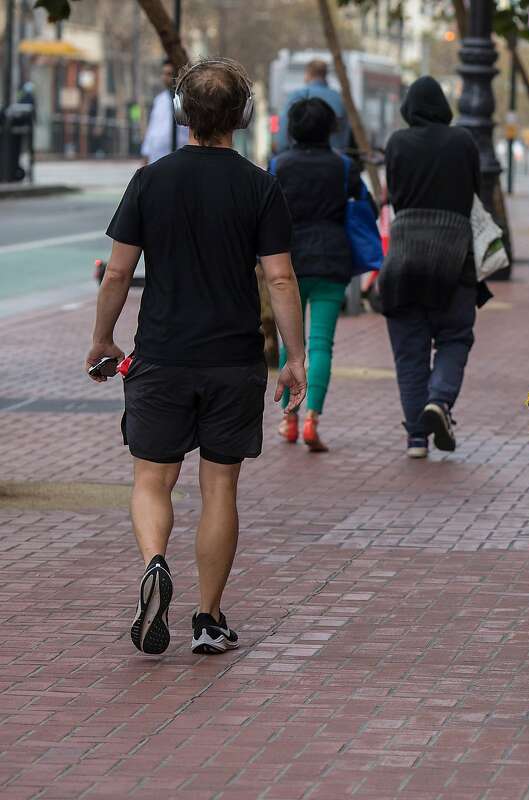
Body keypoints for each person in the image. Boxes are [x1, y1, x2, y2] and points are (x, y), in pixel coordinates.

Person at [87, 58, 306, 656]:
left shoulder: (149, 181)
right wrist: (295, 356)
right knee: (220, 488)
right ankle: (208, 619)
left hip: (160, 353)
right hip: (233, 358)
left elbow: (119, 272)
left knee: (153, 478)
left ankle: (156, 562)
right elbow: (281, 279)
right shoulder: (259, 184)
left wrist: (103, 339)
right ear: (242, 116)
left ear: (184, 114)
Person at [383, 76, 485, 459]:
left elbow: (394, 197)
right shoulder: (463, 141)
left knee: (409, 352)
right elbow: (477, 192)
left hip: (404, 254)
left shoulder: (396, 142)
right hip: (455, 254)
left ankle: (415, 439)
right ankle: (439, 402)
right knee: (455, 337)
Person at [271, 98, 373, 452]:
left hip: (289, 261)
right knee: (321, 344)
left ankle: (289, 419)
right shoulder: (343, 166)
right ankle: (313, 417)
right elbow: (365, 204)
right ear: (331, 128)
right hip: (333, 258)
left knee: (290, 342)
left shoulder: (279, 165)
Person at [275, 59, 350, 153]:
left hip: (300, 157)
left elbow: (283, 133)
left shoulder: (296, 96)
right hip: (334, 159)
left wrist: (281, 153)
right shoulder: (339, 99)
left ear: (308, 74)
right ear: (325, 75)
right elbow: (345, 134)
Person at [140, 59, 189, 165]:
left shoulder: (186, 101)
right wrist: (146, 155)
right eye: (163, 74)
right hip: (158, 159)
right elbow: (152, 129)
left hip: (179, 161)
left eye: (169, 74)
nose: (165, 78)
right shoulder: (159, 100)